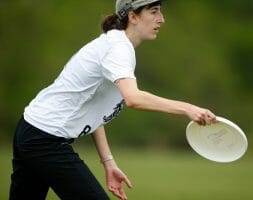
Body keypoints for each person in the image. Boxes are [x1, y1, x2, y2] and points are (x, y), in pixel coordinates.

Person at [9, 0, 217, 199]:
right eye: (153, 12)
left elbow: (94, 111)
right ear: (133, 16)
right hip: (44, 138)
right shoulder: (117, 49)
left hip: (32, 129)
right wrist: (188, 108)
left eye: (160, 11)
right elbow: (133, 99)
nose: (161, 19)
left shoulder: (116, 44)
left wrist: (108, 163)